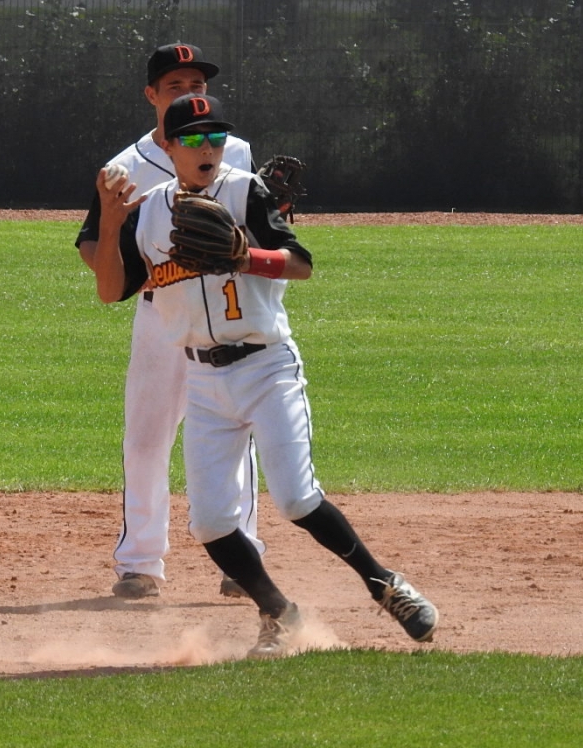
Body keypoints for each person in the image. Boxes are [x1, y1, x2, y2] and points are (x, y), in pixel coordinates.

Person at [89, 92, 438, 657]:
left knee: (296, 499)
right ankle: (279, 613)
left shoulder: (245, 191)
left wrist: (245, 256)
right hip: (202, 380)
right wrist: (110, 224)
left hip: (267, 366)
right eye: (194, 139)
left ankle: (386, 586)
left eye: (216, 136)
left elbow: (301, 264)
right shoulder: (148, 213)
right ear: (169, 147)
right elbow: (110, 291)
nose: (208, 147)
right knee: (210, 523)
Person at [75, 42, 264, 600]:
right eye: (175, 86)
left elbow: (259, 229)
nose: (188, 92)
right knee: (146, 438)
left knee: (236, 435)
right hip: (161, 316)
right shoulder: (125, 167)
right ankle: (139, 564)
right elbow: (91, 245)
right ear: (151, 95)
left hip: (226, 314)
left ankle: (243, 561)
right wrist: (141, 273)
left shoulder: (237, 151)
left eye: (197, 85)